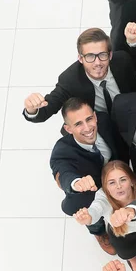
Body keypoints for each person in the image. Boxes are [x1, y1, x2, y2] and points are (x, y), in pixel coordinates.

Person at [22, 28, 136, 123]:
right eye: (90, 56)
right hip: (98, 126)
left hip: (130, 116)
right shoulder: (70, 80)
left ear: (110, 55)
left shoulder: (122, 60)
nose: (97, 63)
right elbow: (47, 109)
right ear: (80, 58)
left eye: (102, 55)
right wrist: (31, 109)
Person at [74, 160, 136, 271]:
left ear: (132, 181)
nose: (118, 186)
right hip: (122, 234)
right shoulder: (103, 196)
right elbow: (97, 208)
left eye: (123, 179)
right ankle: (133, 261)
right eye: (112, 183)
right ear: (106, 187)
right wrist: (89, 217)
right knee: (127, 252)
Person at [49, 98, 119, 255]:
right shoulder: (62, 151)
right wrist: (76, 183)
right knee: (88, 211)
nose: (87, 128)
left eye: (89, 119)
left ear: (95, 116)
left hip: (113, 173)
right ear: (68, 129)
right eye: (78, 124)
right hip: (87, 193)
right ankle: (99, 232)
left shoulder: (105, 122)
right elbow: (63, 174)